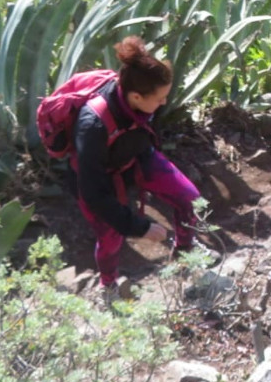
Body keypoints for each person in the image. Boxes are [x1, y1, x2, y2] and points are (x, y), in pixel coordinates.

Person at [73, 36, 203, 302]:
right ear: (135, 96)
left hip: (137, 158)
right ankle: (108, 287)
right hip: (100, 180)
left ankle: (186, 254)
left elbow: (145, 132)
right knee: (111, 236)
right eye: (160, 99)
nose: (164, 104)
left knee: (191, 199)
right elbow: (94, 194)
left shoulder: (142, 101)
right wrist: (139, 227)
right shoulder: (92, 125)